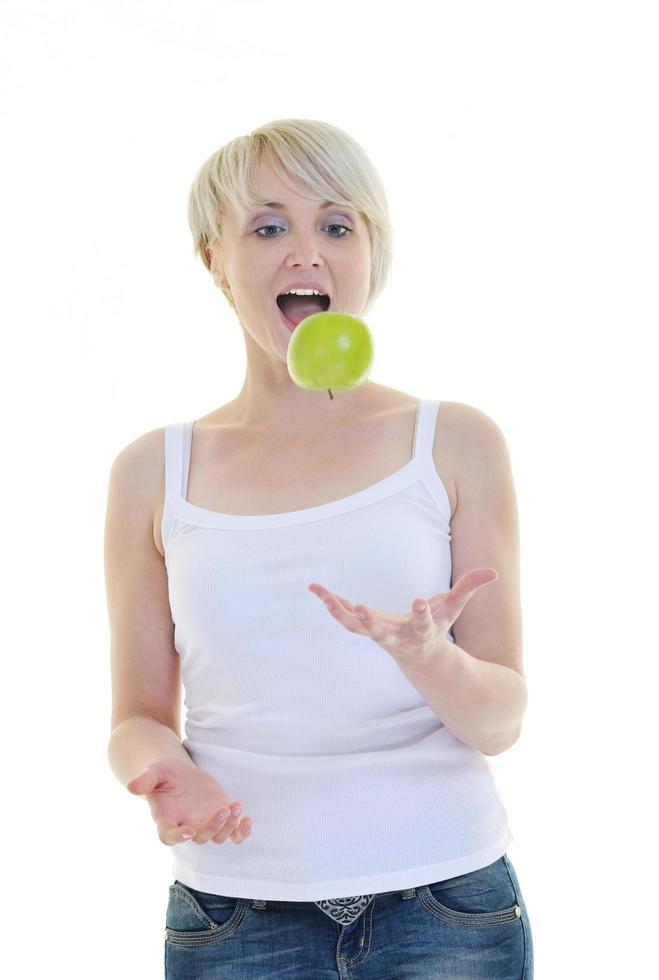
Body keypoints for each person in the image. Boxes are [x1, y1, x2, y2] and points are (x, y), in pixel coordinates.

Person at [105, 118, 534, 978]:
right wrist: (162, 771)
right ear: (213, 261)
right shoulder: (154, 470)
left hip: (445, 910)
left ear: (369, 256)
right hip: (232, 919)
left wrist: (427, 657)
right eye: (268, 226)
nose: (306, 250)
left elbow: (498, 720)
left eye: (336, 225)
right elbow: (135, 718)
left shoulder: (452, 443)